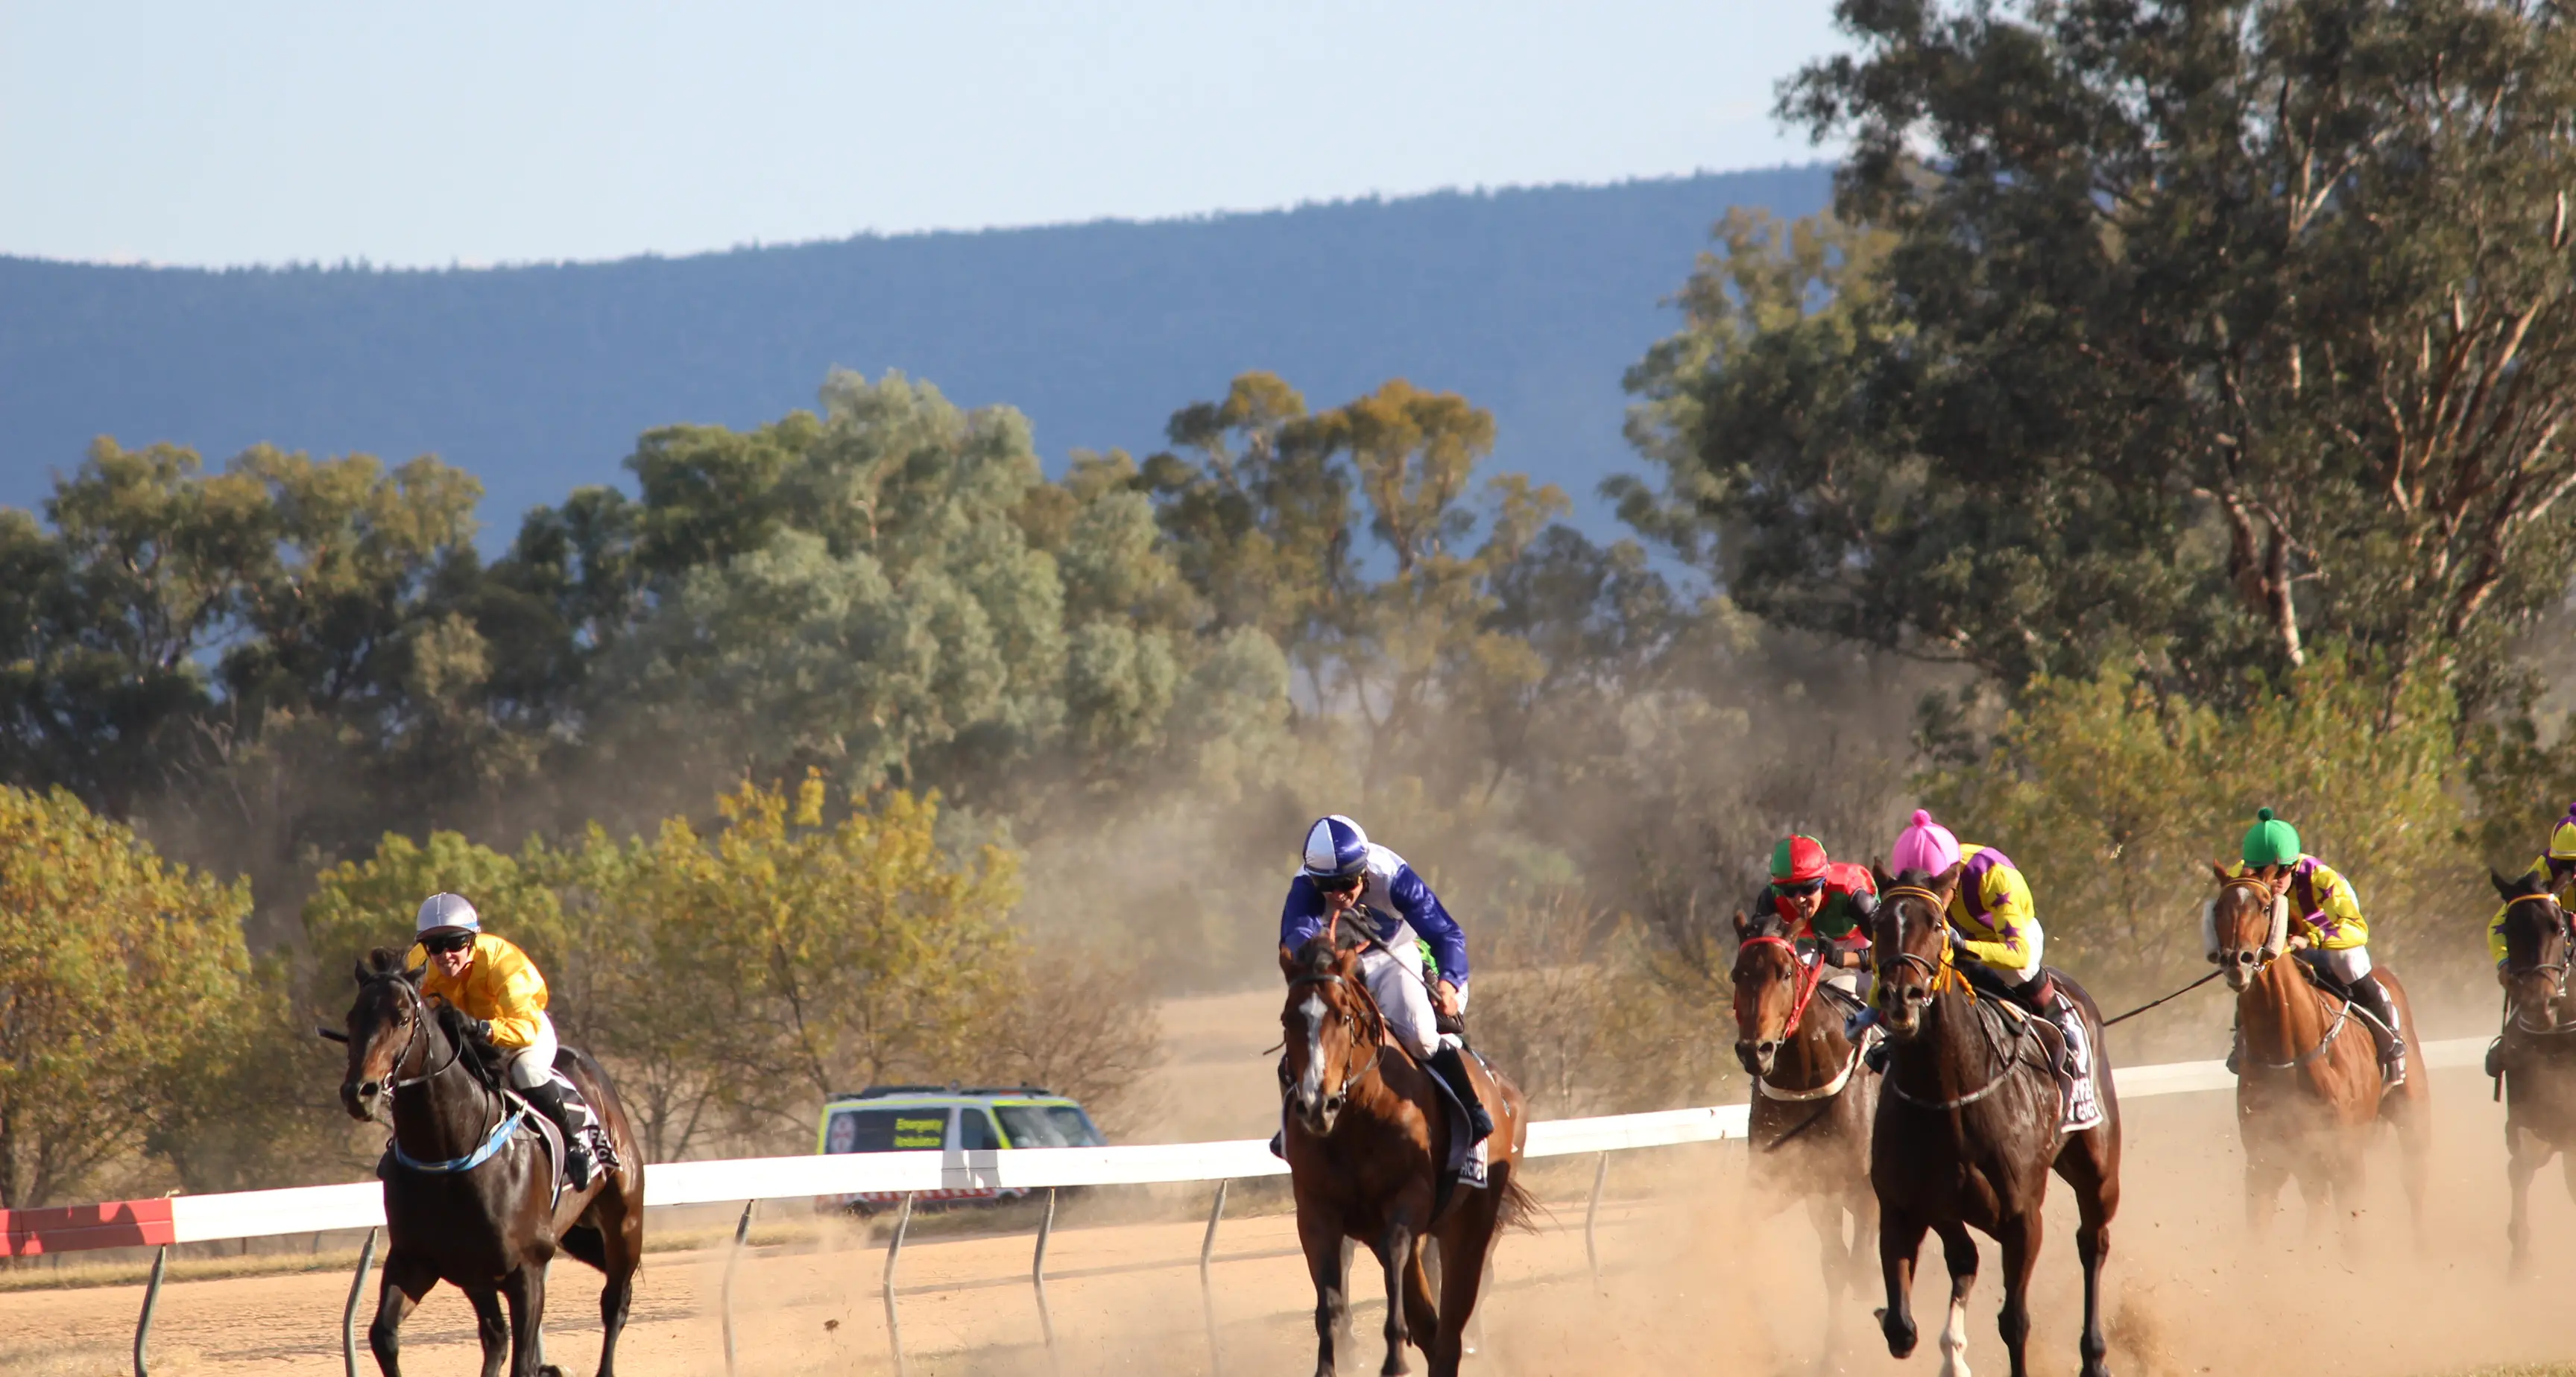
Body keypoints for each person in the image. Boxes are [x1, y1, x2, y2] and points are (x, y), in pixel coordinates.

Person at [1274, 815, 1493, 1186]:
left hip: (1394, 954)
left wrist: (1451, 984)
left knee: (1420, 1035)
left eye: (1346, 883)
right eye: (1327, 886)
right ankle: (1290, 1131)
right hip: (1337, 965)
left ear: (1363, 873)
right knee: (1307, 1035)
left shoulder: (1393, 875)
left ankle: (1473, 1121)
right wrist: (1319, 961)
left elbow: (1446, 932)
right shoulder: (1306, 884)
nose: (1338, 894)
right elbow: (1296, 934)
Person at [1878, 808, 2104, 1132]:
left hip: (2009, 941)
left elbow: (2018, 952)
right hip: (1950, 940)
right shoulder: (1912, 889)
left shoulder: (1993, 876)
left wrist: (1965, 948)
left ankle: (2067, 1032)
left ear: (1954, 877)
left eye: (1939, 890)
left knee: (2020, 972)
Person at [405, 893, 618, 1189]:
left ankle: (573, 1145)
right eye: (434, 946)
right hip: (466, 1038)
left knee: (526, 1072)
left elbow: (526, 1028)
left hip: (521, 1032)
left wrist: (481, 1029)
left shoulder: (504, 964)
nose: (445, 955)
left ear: (473, 939)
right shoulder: (417, 965)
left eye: (455, 943)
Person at [2227, 807, 2405, 1085]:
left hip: (2328, 943)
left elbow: (2357, 929)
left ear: (2292, 866)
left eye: (2276, 874)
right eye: (2259, 872)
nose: (2267, 880)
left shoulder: (2323, 879)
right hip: (2280, 949)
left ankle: (2389, 1037)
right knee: (2254, 974)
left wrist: (2311, 939)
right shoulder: (2241, 874)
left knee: (2348, 962)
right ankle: (2242, 1039)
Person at [2484, 804, 2576, 1076]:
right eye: (2566, 865)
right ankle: (2511, 1041)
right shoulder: (2544, 869)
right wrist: (2504, 965)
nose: (2571, 873)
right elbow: (2497, 924)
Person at [1746, 835, 1877, 995]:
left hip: (1857, 940)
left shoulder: (1852, 893)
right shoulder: (1771, 897)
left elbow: (1891, 949)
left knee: (1872, 990)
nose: (1799, 899)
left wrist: (1843, 959)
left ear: (1824, 882)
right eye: (1790, 891)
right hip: (1805, 941)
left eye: (1808, 889)